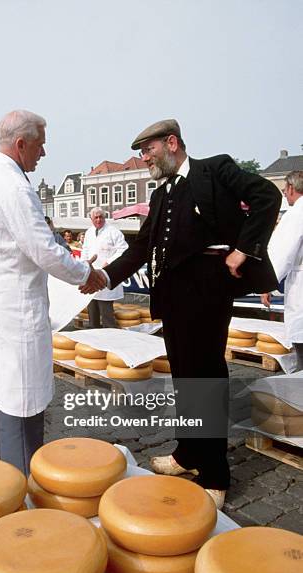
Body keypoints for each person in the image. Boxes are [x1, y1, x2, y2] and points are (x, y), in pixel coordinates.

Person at [81, 119, 281, 508]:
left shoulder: (216, 169)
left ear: (171, 143)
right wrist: (104, 275)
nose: (144, 158)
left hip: (208, 292)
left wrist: (245, 249)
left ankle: (215, 473)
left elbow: (267, 197)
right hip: (172, 297)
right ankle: (188, 454)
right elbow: (141, 249)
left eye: (148, 150)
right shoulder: (161, 195)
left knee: (206, 379)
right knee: (185, 379)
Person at [0, 109, 105, 476]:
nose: (44, 153)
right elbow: (43, 249)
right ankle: (18, 491)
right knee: (21, 395)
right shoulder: (13, 185)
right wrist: (88, 273)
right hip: (16, 304)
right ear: (21, 144)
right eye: (40, 144)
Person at [261, 171, 303, 371]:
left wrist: (266, 284)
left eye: (284, 190)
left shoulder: (295, 214)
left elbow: (281, 254)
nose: (284, 194)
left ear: (292, 189)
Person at [81, 208, 128, 328]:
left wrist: (109, 262)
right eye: (95, 217)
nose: (98, 219)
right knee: (92, 314)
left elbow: (124, 249)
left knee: (106, 314)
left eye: (101, 217)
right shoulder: (88, 232)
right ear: (91, 219)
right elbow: (85, 250)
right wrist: (84, 264)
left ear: (104, 217)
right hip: (91, 277)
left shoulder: (113, 231)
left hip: (106, 275)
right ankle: (93, 340)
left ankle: (111, 340)